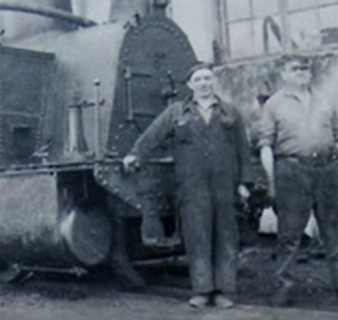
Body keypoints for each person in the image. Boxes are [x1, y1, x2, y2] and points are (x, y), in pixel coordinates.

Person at [123, 63, 251, 309]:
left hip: (225, 186)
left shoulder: (230, 112)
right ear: (190, 85)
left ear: (213, 82)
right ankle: (202, 291)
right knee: (197, 237)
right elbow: (153, 136)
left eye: (207, 78)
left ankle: (223, 291)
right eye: (198, 79)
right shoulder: (176, 112)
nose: (204, 83)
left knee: (225, 237)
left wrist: (245, 182)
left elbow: (243, 150)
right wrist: (135, 155)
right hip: (192, 186)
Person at [258, 54, 338, 306]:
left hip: (326, 170)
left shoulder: (325, 100)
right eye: (295, 69)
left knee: (334, 232)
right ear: (283, 74)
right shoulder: (273, 104)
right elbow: (265, 145)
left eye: (305, 68)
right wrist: (271, 181)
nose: (302, 72)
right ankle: (284, 289)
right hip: (291, 172)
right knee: (290, 236)